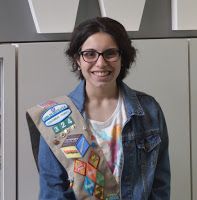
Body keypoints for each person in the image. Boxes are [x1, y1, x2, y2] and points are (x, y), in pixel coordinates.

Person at [27, 17, 170, 200]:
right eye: (90, 54)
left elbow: (160, 185)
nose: (101, 63)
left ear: (122, 58)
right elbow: (53, 192)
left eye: (110, 53)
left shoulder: (148, 110)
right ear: (77, 59)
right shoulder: (56, 117)